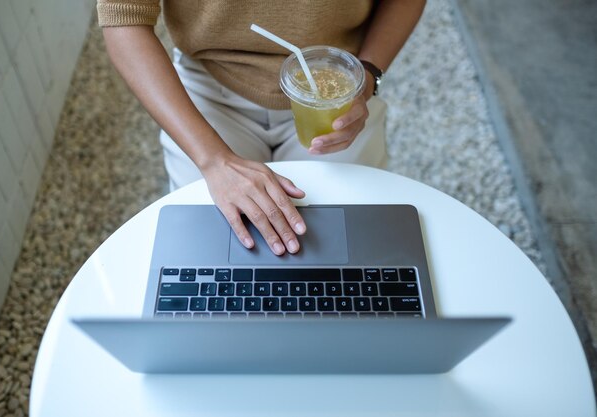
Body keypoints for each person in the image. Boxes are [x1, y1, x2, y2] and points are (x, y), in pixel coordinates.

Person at [97, 0, 426, 255]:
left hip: (332, 85)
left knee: (359, 245)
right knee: (208, 248)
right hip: (207, 87)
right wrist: (214, 161)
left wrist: (366, 76)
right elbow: (124, 18)